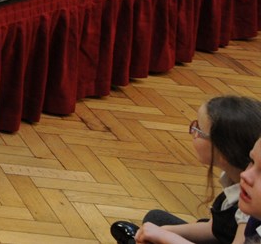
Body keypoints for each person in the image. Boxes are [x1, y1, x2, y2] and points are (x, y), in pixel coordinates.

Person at [110, 95, 261, 244]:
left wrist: (166, 237)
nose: (246, 175)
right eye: (252, 161)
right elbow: (214, 228)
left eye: (199, 130)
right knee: (155, 219)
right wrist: (164, 231)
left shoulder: (250, 211)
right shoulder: (239, 183)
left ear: (224, 151)